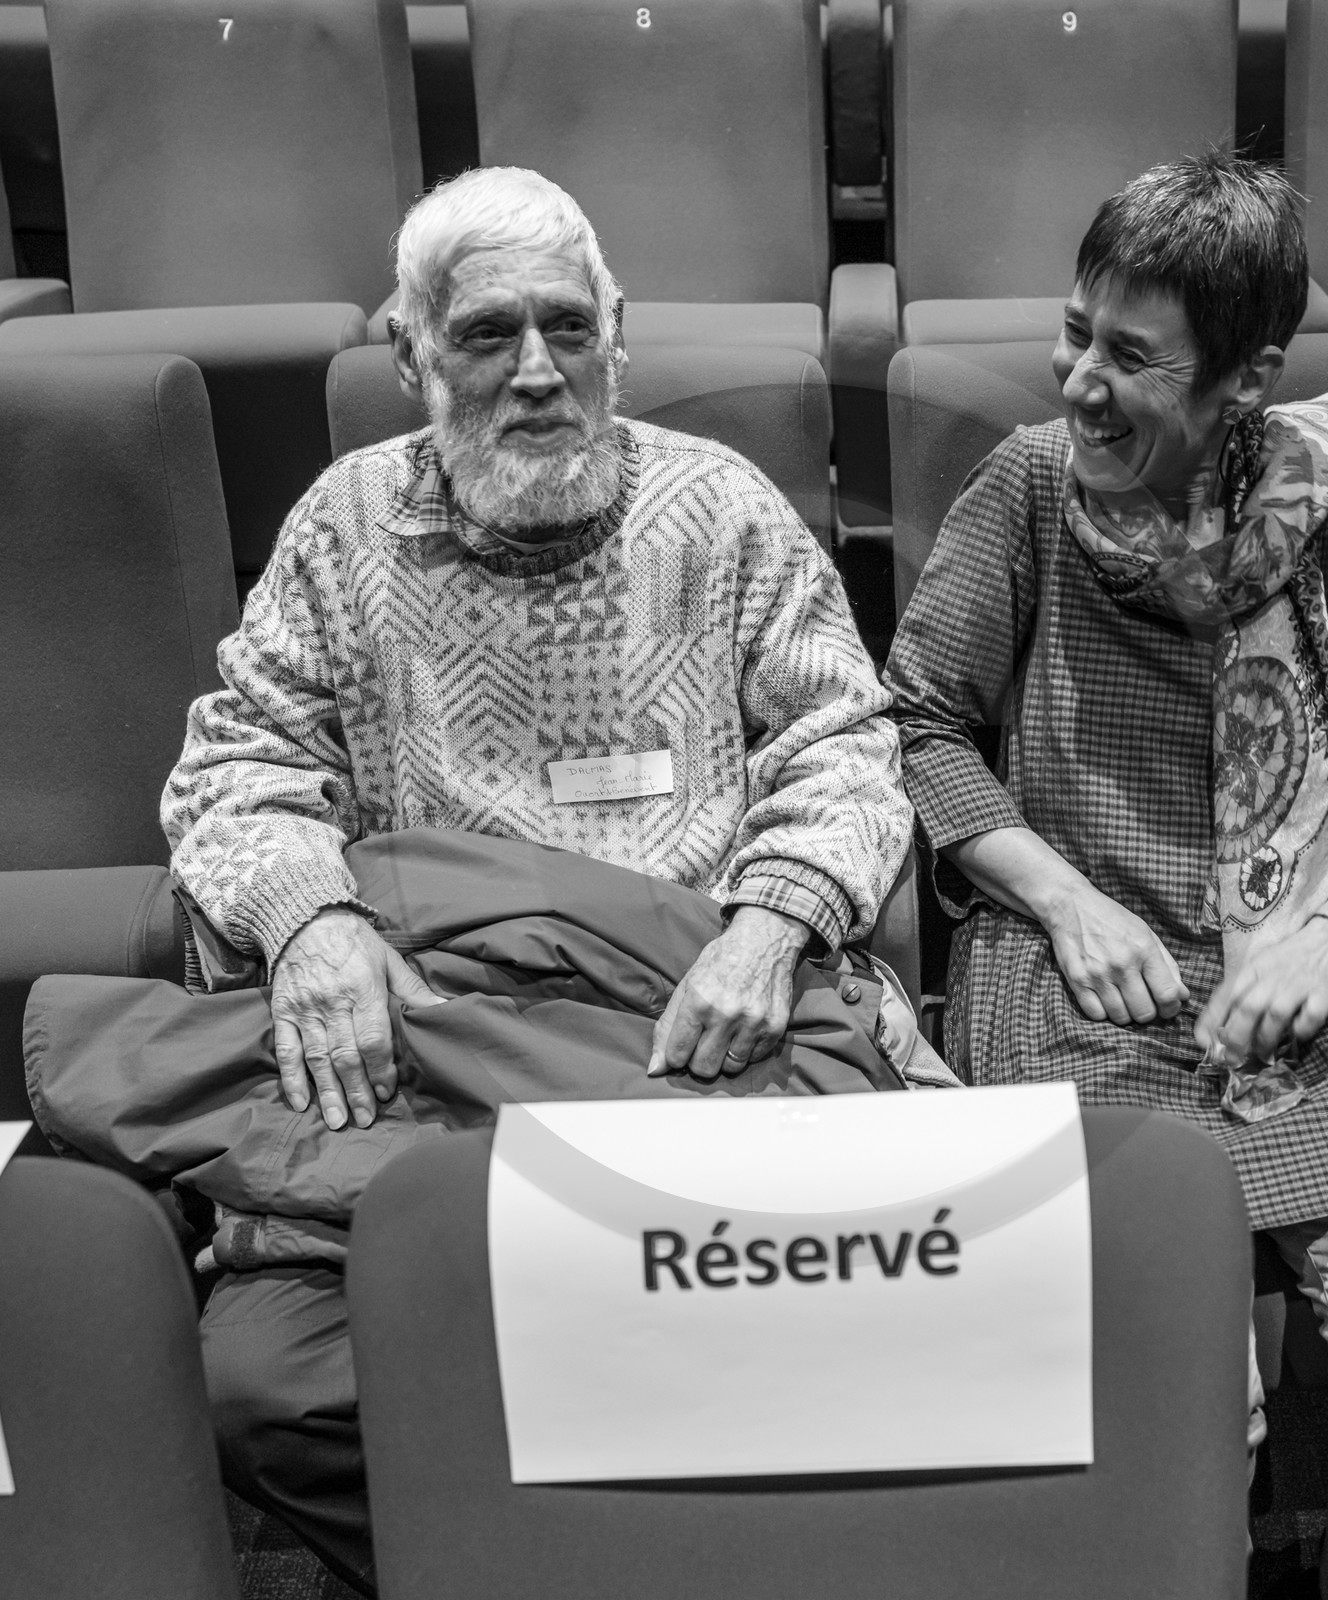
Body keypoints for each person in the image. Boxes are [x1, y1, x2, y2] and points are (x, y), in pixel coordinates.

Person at [161, 165, 911, 1592]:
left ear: (618, 333)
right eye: (488, 334)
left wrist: (772, 926)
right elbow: (237, 763)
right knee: (260, 1383)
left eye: (568, 328)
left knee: (840, 1344)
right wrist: (306, 919)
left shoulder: (725, 514)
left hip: (693, 1042)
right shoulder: (341, 527)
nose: (537, 374)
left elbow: (846, 748)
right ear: (412, 354)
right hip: (442, 1057)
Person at [884, 152, 1328, 1600]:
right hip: (1082, 1001)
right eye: (1076, 331)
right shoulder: (1025, 489)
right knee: (1160, 1421)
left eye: (1132, 356)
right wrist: (1061, 896)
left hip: (1320, 1007)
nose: (1078, 378)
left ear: (1248, 374)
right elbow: (915, 718)